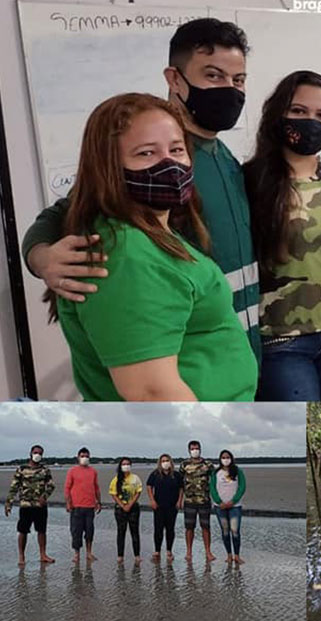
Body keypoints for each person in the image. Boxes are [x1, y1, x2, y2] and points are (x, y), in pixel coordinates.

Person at [20, 18, 262, 364]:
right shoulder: (155, 163)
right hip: (186, 359)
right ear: (174, 78)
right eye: (213, 75)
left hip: (237, 349)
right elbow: (65, 209)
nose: (230, 89)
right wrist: (41, 257)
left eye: (237, 80)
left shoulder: (221, 154)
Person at [43, 93, 257, 401]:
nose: (169, 163)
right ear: (109, 166)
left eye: (177, 149)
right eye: (145, 153)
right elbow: (152, 393)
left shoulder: (153, 232)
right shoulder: (128, 255)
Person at [245, 71, 321, 401]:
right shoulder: (250, 181)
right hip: (280, 340)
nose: (311, 122)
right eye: (299, 112)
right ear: (278, 114)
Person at [4, 444, 56, 566]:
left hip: (40, 506)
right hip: (26, 505)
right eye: (35, 452)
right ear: (30, 453)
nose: (37, 455)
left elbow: (51, 485)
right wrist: (8, 503)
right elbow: (14, 487)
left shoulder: (45, 470)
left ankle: (43, 554)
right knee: (23, 531)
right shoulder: (21, 469)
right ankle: (21, 556)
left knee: (42, 531)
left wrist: (45, 496)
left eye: (40, 453)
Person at [179, 440, 216, 562]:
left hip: (204, 501)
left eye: (197, 448)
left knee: (206, 527)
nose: (195, 450)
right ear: (189, 450)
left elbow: (215, 480)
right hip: (189, 501)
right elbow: (180, 483)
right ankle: (189, 552)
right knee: (189, 528)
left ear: (200, 449)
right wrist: (179, 500)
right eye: (192, 448)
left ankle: (208, 552)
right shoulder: (184, 464)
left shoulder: (208, 464)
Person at [64, 447, 101, 563]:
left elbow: (96, 487)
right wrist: (68, 503)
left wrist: (99, 502)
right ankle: (76, 554)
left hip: (90, 506)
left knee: (89, 531)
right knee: (76, 531)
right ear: (78, 457)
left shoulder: (93, 471)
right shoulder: (72, 471)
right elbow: (67, 488)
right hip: (76, 507)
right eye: (82, 456)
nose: (85, 458)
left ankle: (89, 553)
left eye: (87, 456)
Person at [210, 449, 246, 564]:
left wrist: (233, 501)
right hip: (220, 507)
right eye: (223, 457)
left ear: (231, 458)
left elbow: (242, 487)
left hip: (235, 506)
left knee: (235, 530)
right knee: (225, 531)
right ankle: (229, 555)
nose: (226, 459)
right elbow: (212, 489)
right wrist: (219, 502)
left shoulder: (237, 471)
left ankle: (237, 555)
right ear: (220, 459)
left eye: (228, 457)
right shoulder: (216, 473)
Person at [147, 453, 184, 562]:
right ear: (160, 462)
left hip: (172, 506)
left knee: (170, 529)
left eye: (167, 460)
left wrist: (179, 501)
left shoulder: (176, 475)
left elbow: (181, 488)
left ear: (171, 462)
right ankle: (157, 551)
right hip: (158, 506)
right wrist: (152, 500)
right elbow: (149, 486)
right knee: (158, 529)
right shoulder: (155, 474)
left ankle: (169, 551)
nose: (165, 462)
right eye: (163, 461)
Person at [108, 457, 142, 564]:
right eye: (124, 464)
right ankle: (120, 556)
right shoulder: (116, 479)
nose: (126, 466)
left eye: (128, 464)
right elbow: (114, 494)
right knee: (121, 532)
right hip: (120, 509)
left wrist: (130, 504)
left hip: (133, 508)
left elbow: (138, 492)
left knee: (135, 532)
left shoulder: (135, 478)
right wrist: (122, 505)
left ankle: (137, 556)